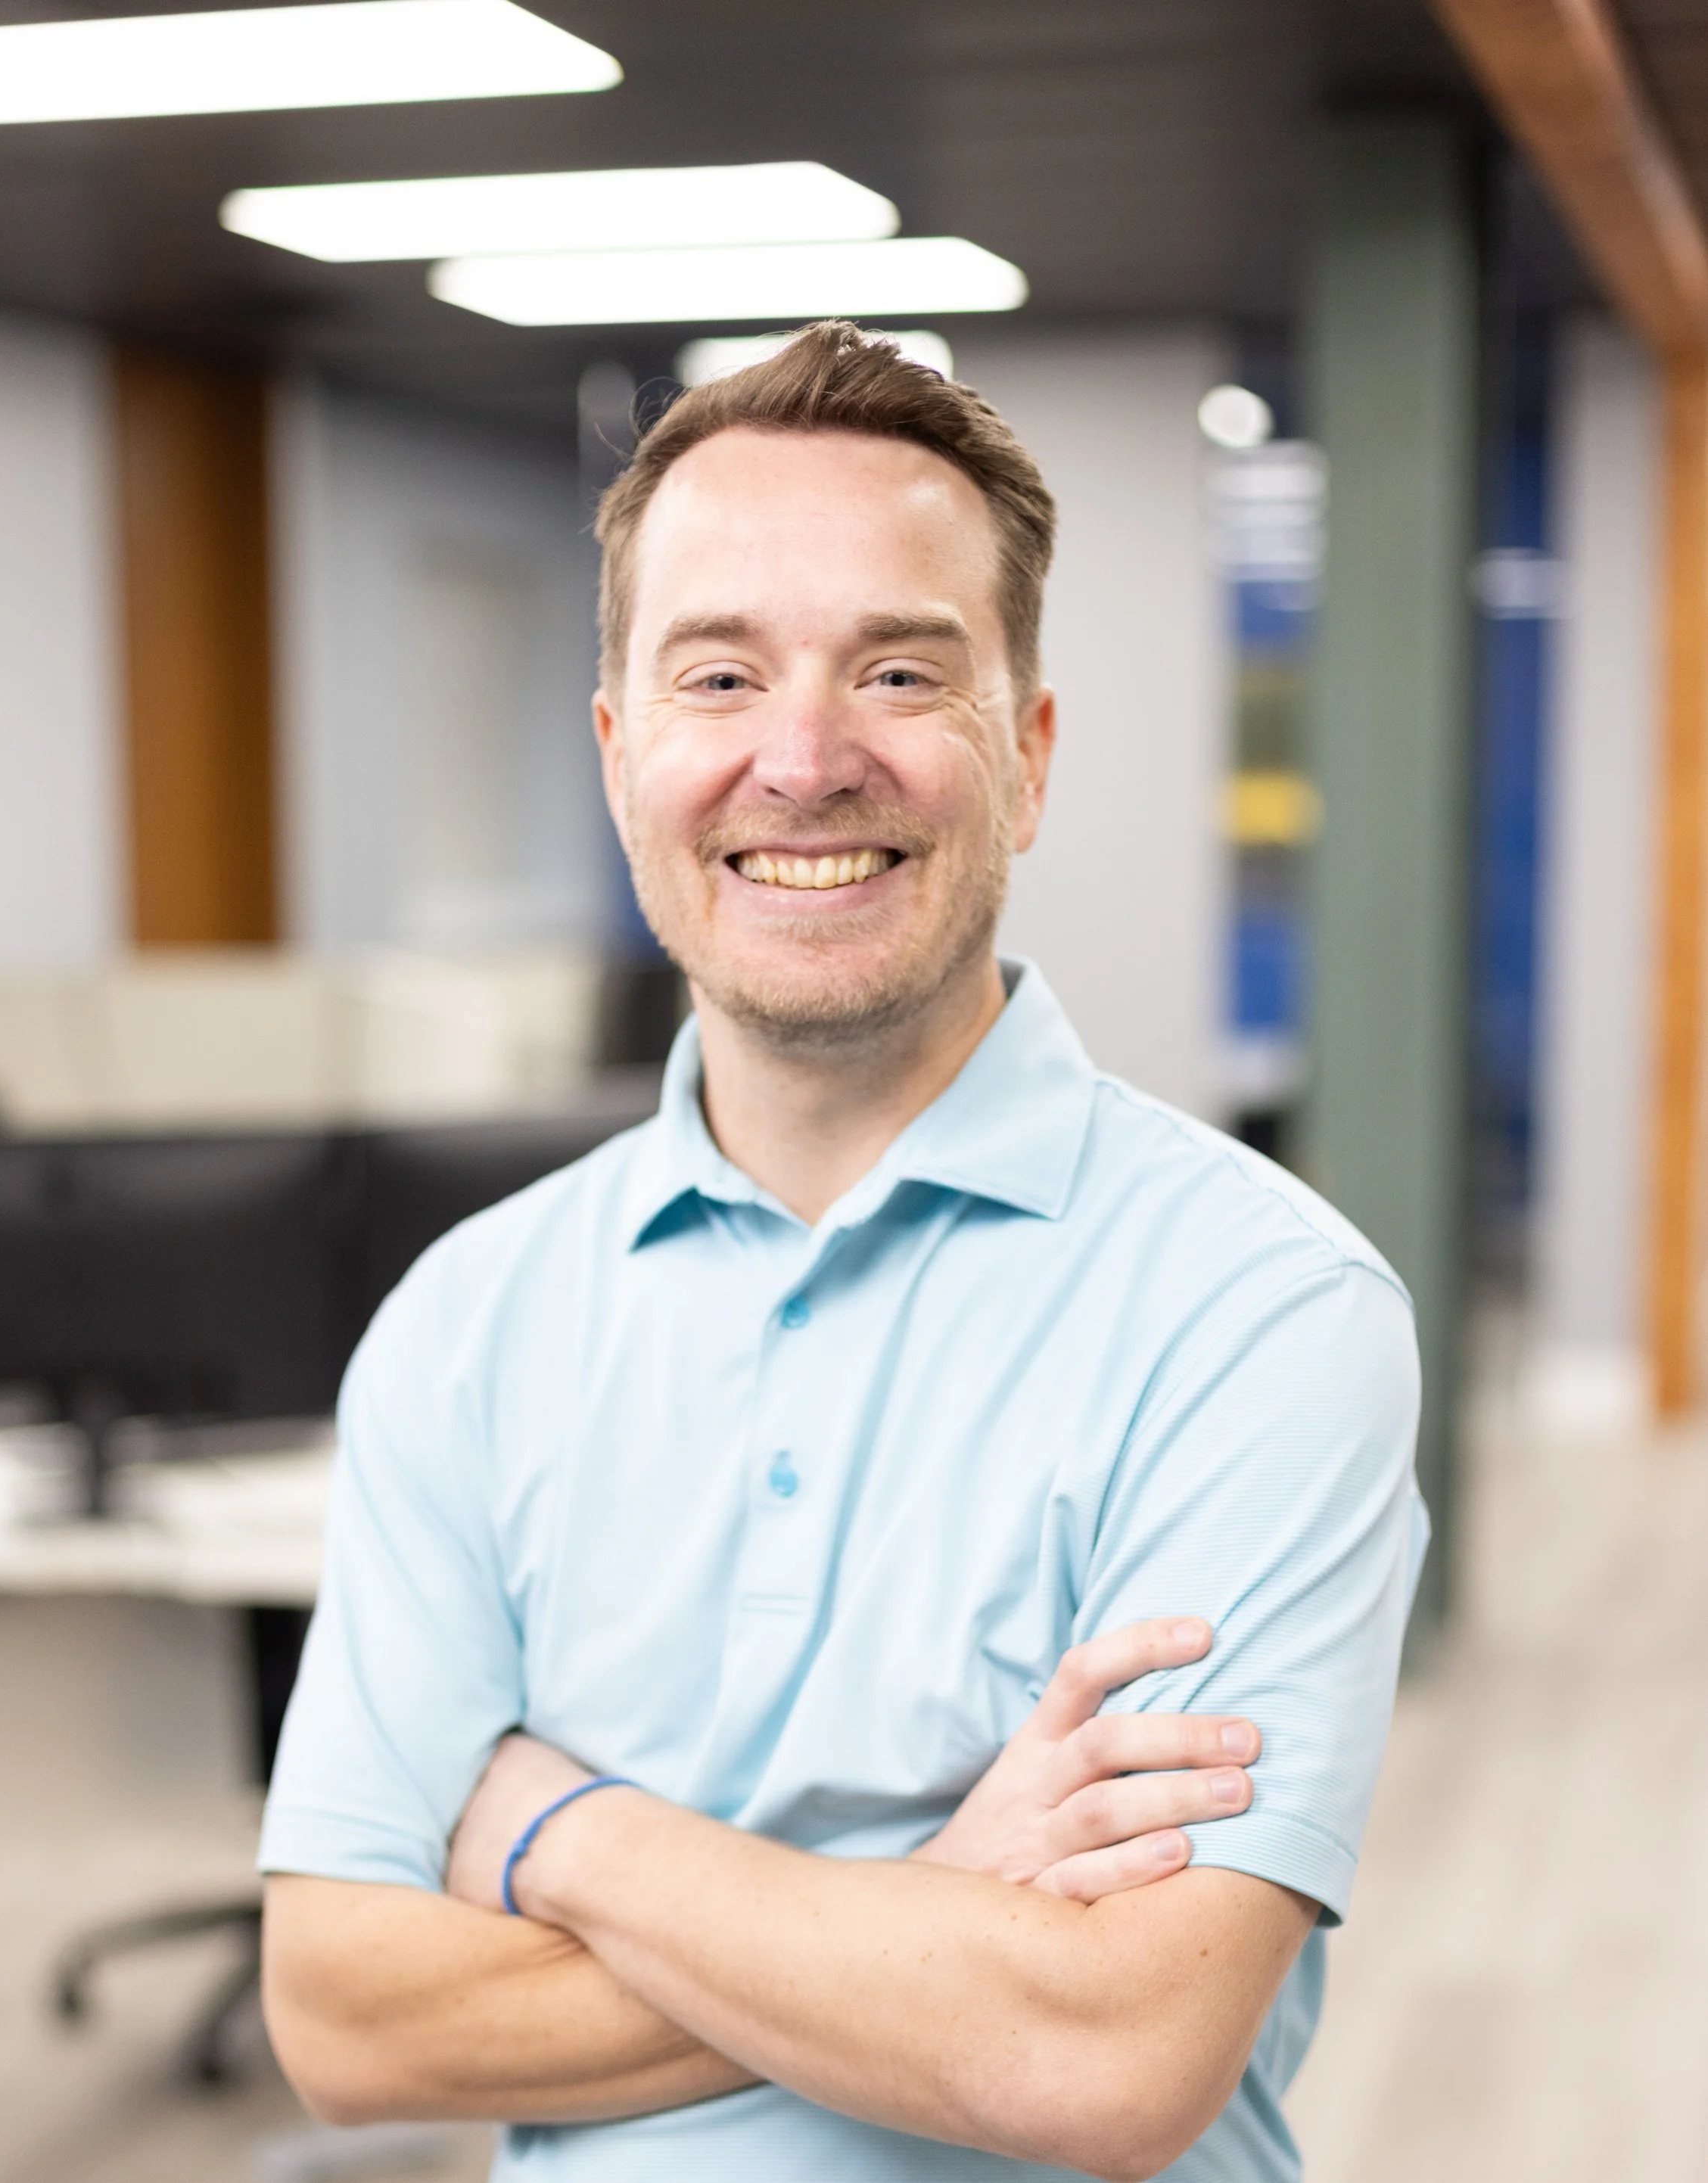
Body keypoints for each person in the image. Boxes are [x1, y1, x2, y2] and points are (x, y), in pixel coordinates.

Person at [260, 322, 1426, 2183]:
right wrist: (931, 1908)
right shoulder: (466, 1321)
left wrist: (559, 1833)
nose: (801, 760)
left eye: (899, 669)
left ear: (1025, 759)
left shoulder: (1261, 1313)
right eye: (717, 675)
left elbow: (1106, 2048)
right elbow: (341, 2016)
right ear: (622, 754)